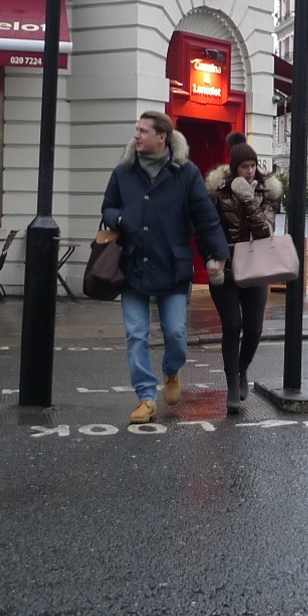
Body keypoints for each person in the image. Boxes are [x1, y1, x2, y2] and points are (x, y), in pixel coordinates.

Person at [101, 111, 228, 421]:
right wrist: (120, 218)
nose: (137, 135)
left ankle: (171, 369)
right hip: (133, 265)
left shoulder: (186, 172)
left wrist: (218, 253)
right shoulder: (124, 171)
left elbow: (206, 218)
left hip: (172, 267)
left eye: (144, 131)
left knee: (175, 334)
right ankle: (146, 397)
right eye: (137, 130)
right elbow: (108, 207)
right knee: (136, 334)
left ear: (162, 137)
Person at [205, 133, 279, 414]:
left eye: (253, 166)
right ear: (234, 168)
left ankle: (243, 368)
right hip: (226, 269)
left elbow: (264, 231)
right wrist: (212, 257)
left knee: (254, 329)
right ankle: (232, 385)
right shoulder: (217, 193)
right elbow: (208, 229)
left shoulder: (265, 193)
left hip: (255, 268)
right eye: (244, 166)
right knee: (232, 326)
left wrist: (247, 198)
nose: (249, 171)